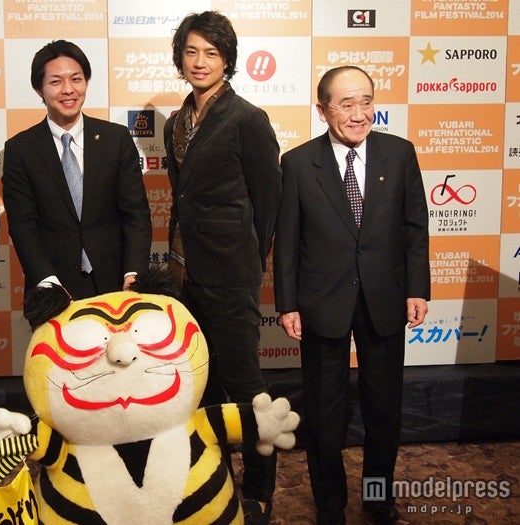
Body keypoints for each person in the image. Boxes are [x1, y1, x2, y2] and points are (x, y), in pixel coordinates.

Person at [273, 66, 430, 524]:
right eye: (346, 104)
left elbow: (415, 228)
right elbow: (288, 241)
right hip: (322, 302)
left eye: (366, 101)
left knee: (384, 410)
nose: (359, 114)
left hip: (386, 299)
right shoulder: (298, 163)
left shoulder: (399, 154)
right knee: (325, 415)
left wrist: (417, 289)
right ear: (322, 110)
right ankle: (330, 506)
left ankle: (378, 499)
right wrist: (288, 302)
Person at [165, 11, 282, 525]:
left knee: (247, 388)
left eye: (211, 53)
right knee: (202, 388)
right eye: (191, 52)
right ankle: (215, 485)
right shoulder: (175, 122)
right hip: (185, 276)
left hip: (231, 274)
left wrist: (250, 264)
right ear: (180, 58)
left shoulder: (247, 119)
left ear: (227, 59)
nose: (200, 62)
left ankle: (258, 489)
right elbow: (183, 196)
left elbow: (269, 201)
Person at [2, 39, 152, 300]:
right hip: (53, 289)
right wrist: (47, 282)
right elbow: (23, 226)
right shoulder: (20, 149)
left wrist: (133, 274)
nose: (68, 90)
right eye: (56, 81)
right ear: (39, 89)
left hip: (117, 286)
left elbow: (136, 214)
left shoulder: (115, 139)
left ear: (86, 82)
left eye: (76, 79)